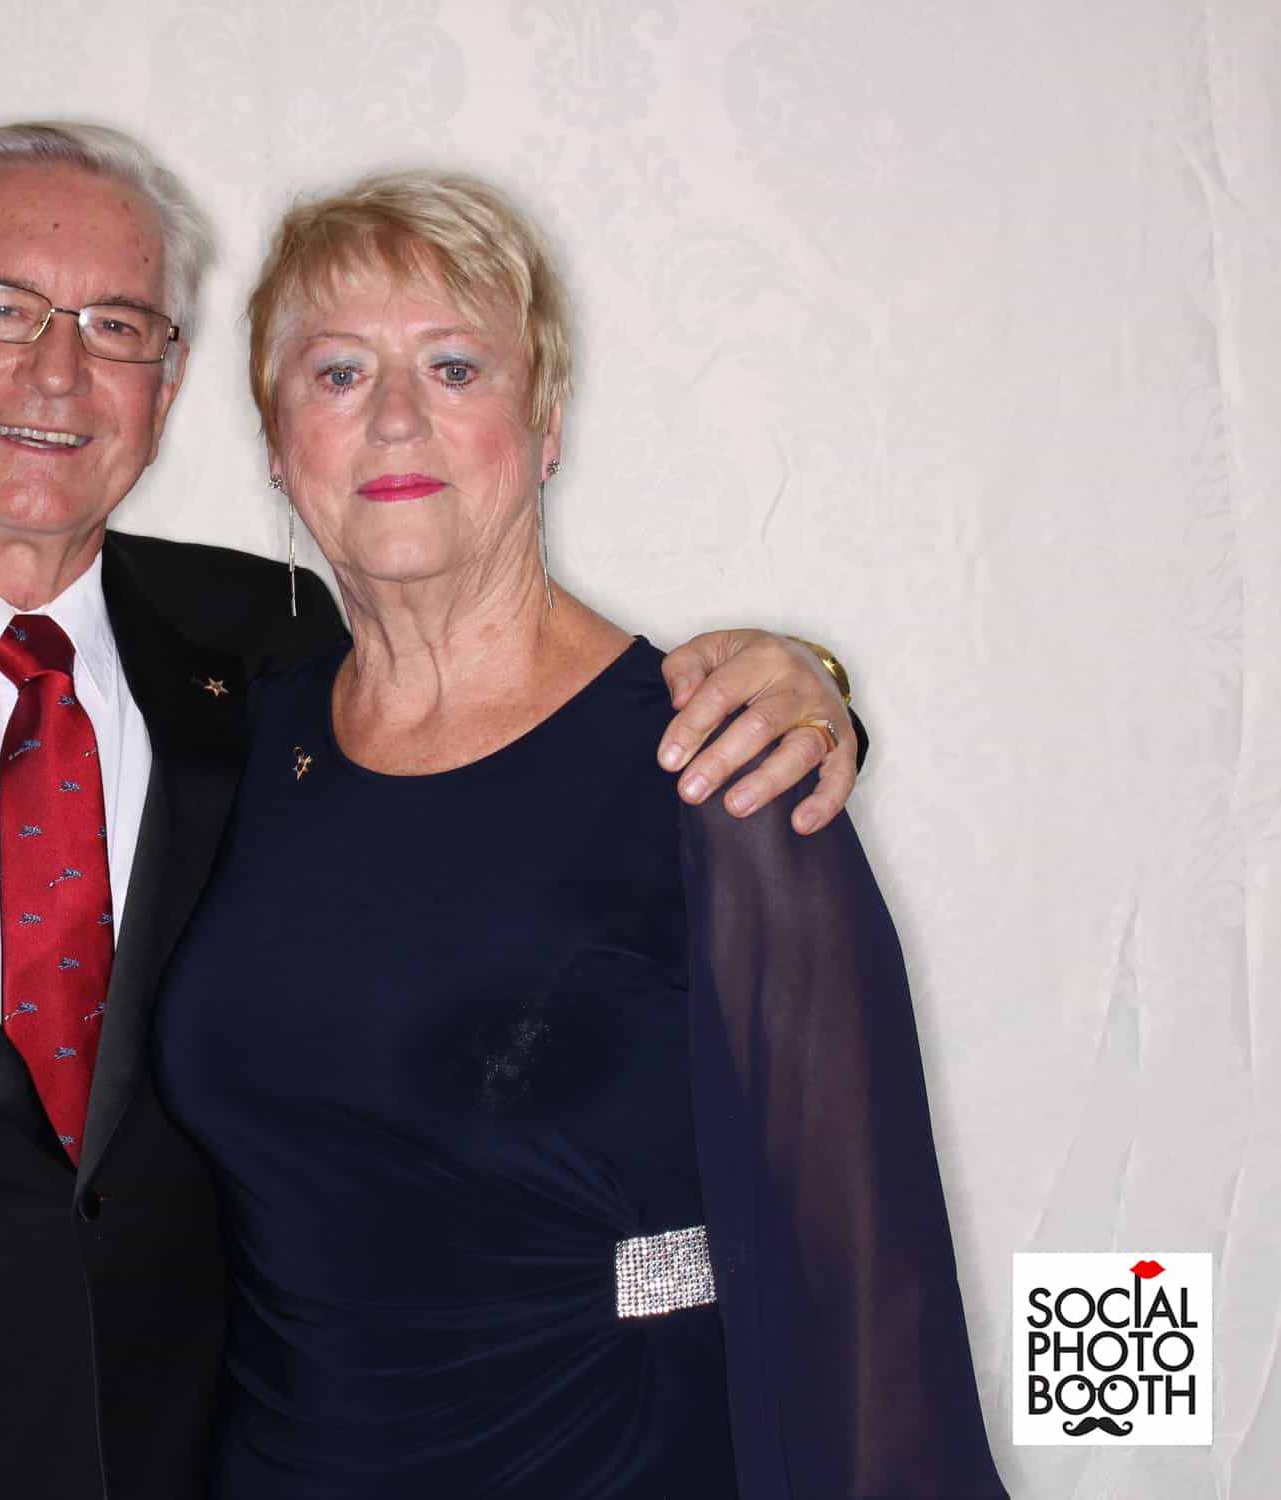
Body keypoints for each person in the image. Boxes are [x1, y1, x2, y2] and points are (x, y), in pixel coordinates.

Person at [0, 124, 864, 1500]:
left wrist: (805, 684)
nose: (59, 372)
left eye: (117, 326)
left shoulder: (275, 660)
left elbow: (507, 730)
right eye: (0, 308)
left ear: (167, 392)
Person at [151, 170, 1004, 1497]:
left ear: (544, 424)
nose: (392, 416)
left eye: (453, 367)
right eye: (336, 372)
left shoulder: (714, 757)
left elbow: (864, 1281)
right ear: (275, 439)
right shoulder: (236, 740)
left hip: (609, 1459)